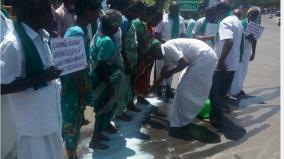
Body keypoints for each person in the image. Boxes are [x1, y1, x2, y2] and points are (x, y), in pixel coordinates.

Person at [1, 0, 64, 158]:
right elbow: (2, 86)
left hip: (51, 118)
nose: (51, 15)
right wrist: (41, 77)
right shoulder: (13, 43)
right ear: (30, 14)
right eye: (45, 11)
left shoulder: (42, 36)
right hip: (34, 128)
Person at [147, 38, 217, 137]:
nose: (155, 59)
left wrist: (170, 72)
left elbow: (184, 63)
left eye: (153, 55)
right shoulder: (165, 53)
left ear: (156, 49)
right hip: (202, 57)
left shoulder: (167, 48)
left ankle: (180, 123)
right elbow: (163, 74)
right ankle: (181, 120)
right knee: (182, 86)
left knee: (184, 90)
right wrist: (151, 89)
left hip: (204, 58)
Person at [60, 0, 100, 158]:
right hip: (73, 88)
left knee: (75, 121)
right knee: (71, 123)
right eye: (96, 11)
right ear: (88, 11)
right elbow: (74, 68)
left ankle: (73, 154)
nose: (98, 15)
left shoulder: (80, 30)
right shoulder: (76, 32)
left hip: (76, 87)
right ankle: (71, 155)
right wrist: (82, 93)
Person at [88, 9, 123, 150]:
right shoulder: (107, 41)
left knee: (104, 108)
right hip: (104, 83)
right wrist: (109, 85)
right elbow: (102, 65)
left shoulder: (98, 37)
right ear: (114, 27)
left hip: (100, 81)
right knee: (103, 109)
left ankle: (102, 130)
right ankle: (94, 140)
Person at [209, 2, 242, 126]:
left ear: (221, 10)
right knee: (222, 92)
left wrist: (221, 61)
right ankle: (218, 116)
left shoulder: (225, 22)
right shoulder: (236, 20)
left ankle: (215, 119)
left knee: (215, 93)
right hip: (232, 65)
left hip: (223, 65)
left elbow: (228, 42)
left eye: (217, 10)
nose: (216, 14)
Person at [115, 0, 146, 120]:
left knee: (128, 86)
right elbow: (121, 44)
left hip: (131, 61)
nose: (138, 16)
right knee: (122, 88)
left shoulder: (129, 22)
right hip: (125, 61)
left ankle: (128, 105)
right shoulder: (124, 22)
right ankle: (118, 113)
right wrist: (127, 63)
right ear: (132, 10)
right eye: (138, 13)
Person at [155, 1, 187, 99]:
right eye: (174, 9)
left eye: (178, 9)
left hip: (176, 48)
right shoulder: (163, 19)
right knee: (161, 68)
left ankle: (169, 88)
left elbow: (183, 34)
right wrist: (163, 44)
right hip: (164, 47)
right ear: (170, 9)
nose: (176, 11)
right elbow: (156, 33)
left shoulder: (181, 19)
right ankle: (159, 87)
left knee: (173, 69)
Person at [133, 5, 163, 104]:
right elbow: (137, 42)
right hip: (139, 57)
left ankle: (140, 96)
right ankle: (131, 101)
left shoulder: (148, 26)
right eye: (155, 21)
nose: (155, 24)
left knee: (144, 78)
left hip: (147, 57)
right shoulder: (138, 24)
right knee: (136, 79)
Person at [230, 7, 260, 97]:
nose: (253, 16)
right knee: (238, 70)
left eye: (255, 14)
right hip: (239, 49)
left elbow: (255, 40)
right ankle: (233, 91)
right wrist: (245, 36)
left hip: (247, 50)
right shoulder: (242, 23)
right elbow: (236, 36)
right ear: (248, 14)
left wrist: (253, 53)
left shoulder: (255, 25)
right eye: (252, 14)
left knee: (244, 70)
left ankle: (239, 89)